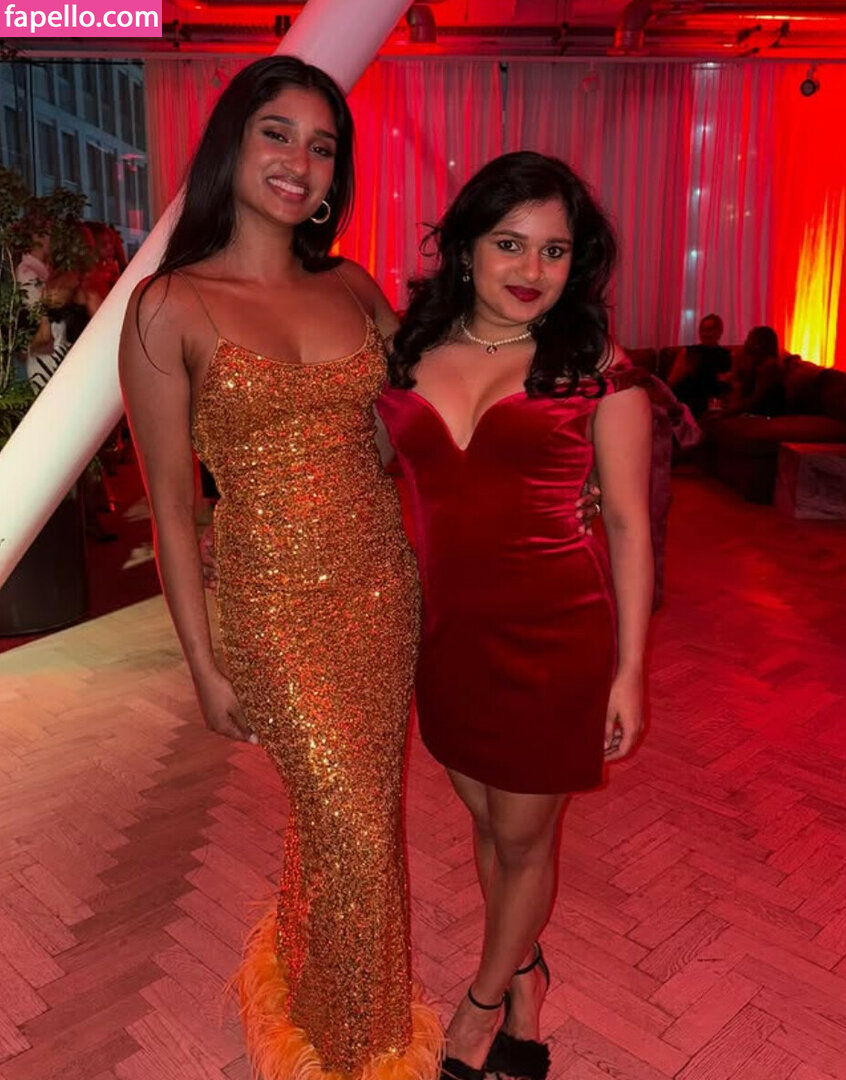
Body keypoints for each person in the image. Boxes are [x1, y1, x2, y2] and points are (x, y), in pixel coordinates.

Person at [119, 56, 443, 1080]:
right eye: (277, 133)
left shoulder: (351, 286)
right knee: (353, 825)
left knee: (358, 814)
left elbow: (415, 428)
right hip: (272, 607)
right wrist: (203, 662)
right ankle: (360, 1052)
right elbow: (175, 507)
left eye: (323, 145)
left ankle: (311, 983)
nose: (300, 161)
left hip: (381, 590)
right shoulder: (168, 306)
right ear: (233, 142)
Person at [378, 151, 654, 1080]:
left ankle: (484, 1005)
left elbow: (627, 523)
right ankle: (528, 974)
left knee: (528, 837)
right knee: (491, 824)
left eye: (555, 251)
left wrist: (629, 672)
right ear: (465, 248)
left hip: (554, 637)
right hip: (448, 637)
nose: (532, 270)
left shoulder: (594, 369)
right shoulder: (407, 352)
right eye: (509, 244)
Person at [667, 312, 732, 417]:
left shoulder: (727, 355)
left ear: (719, 332)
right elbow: (671, 382)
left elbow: (730, 384)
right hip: (689, 398)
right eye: (702, 330)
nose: (705, 334)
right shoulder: (689, 352)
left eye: (709, 330)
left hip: (713, 402)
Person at [723, 325, 786, 417]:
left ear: (759, 344)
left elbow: (756, 401)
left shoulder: (769, 366)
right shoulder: (755, 363)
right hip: (757, 413)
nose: (745, 342)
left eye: (749, 339)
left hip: (767, 417)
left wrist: (729, 411)